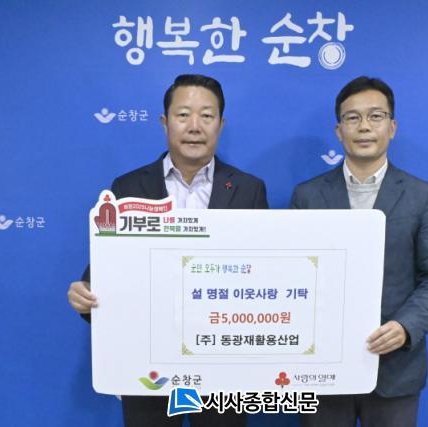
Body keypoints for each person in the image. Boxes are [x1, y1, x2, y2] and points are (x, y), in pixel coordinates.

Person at [68, 74, 268, 427]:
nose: (195, 127)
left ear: (220, 125)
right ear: (165, 122)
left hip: (223, 358)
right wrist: (85, 292)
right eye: (183, 115)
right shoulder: (128, 187)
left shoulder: (248, 189)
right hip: (149, 357)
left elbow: (263, 273)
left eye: (207, 116)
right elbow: (105, 269)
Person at [290, 76, 428, 427]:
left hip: (395, 370)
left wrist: (405, 327)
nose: (364, 126)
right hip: (323, 368)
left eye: (376, 116)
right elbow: (293, 275)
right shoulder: (308, 196)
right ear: (339, 131)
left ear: (392, 127)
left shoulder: (421, 195)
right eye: (353, 118)